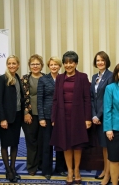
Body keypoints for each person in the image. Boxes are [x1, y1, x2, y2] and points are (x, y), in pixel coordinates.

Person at [50, 51, 92, 185]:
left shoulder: (83, 77)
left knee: (77, 145)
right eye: (66, 62)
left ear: (76, 63)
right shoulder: (60, 78)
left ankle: (77, 170)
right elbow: (55, 99)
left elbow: (87, 99)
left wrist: (87, 118)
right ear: (63, 64)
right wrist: (53, 118)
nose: (68, 65)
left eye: (71, 62)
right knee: (66, 145)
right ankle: (69, 171)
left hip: (79, 116)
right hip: (62, 116)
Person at [37, 57, 67, 180]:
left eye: (56, 65)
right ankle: (47, 169)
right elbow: (39, 99)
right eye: (52, 65)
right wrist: (41, 117)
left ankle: (60, 168)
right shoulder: (43, 79)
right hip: (47, 115)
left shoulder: (64, 78)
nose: (54, 67)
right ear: (48, 66)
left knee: (61, 143)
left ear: (60, 66)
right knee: (47, 144)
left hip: (61, 115)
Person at [0, 55, 24, 183]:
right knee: (5, 144)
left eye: (14, 63)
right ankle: (8, 170)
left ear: (18, 65)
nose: (12, 66)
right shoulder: (2, 79)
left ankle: (13, 167)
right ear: (7, 65)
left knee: (14, 143)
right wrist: (2, 119)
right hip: (6, 118)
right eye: (9, 63)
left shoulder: (18, 78)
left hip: (17, 116)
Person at [90, 51, 113, 185]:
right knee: (103, 146)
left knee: (108, 146)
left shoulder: (111, 76)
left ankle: (108, 174)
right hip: (96, 117)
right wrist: (93, 114)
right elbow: (92, 97)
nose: (100, 62)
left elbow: (108, 98)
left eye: (102, 60)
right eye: (98, 60)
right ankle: (105, 169)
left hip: (107, 116)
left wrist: (98, 115)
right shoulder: (94, 77)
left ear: (106, 62)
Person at [21, 54, 44, 175]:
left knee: (42, 141)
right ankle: (31, 167)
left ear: (42, 65)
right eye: (33, 64)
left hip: (43, 116)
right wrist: (26, 112)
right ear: (29, 66)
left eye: (37, 64)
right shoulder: (24, 79)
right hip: (29, 115)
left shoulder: (46, 78)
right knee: (31, 142)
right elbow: (23, 97)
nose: (35, 66)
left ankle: (41, 164)